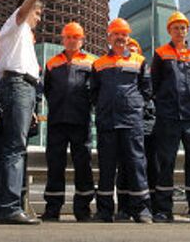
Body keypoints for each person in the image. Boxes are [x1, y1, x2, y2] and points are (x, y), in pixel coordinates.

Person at [0, 0, 54, 225]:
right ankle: (9, 208)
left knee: (14, 147)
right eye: (38, 13)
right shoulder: (14, 25)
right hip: (18, 85)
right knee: (15, 149)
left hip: (24, 89)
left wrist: (30, 105)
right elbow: (25, 9)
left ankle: (6, 206)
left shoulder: (24, 39)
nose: (39, 19)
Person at [149, 12, 190, 223]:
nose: (180, 31)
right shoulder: (160, 54)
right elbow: (154, 85)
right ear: (169, 30)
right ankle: (163, 210)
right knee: (166, 161)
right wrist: (162, 106)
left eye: (183, 28)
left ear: (187, 30)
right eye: (175, 28)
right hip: (168, 116)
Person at [90, 18, 153, 224]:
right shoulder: (98, 64)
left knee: (136, 165)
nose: (120, 38)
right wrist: (102, 108)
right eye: (116, 34)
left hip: (131, 121)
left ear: (128, 37)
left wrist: (134, 106)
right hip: (107, 121)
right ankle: (104, 211)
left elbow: (147, 90)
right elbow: (93, 92)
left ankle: (142, 211)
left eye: (124, 34)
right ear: (109, 37)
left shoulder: (139, 61)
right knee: (106, 167)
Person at [41, 22, 96, 222]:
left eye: (76, 37)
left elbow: (95, 90)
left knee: (83, 165)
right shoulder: (52, 63)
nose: (72, 40)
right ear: (63, 39)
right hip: (56, 120)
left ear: (82, 40)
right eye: (68, 37)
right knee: (55, 165)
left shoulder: (91, 62)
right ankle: (52, 208)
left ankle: (83, 209)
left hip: (80, 120)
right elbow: (47, 90)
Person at [115, 37, 157, 221]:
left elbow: (149, 95)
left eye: (135, 50)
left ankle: (147, 208)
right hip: (127, 125)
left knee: (146, 169)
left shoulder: (145, 73)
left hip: (146, 128)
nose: (131, 52)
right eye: (129, 49)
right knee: (124, 168)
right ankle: (124, 208)